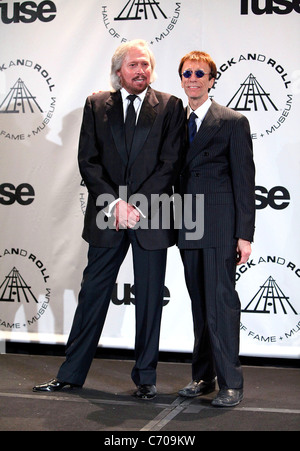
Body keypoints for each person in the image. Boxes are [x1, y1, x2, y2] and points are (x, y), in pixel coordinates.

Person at [33, 39, 185, 400]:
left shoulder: (170, 106)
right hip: (107, 215)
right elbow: (89, 161)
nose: (141, 70)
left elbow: (170, 163)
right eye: (133, 65)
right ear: (119, 72)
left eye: (146, 64)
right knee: (93, 295)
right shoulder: (96, 104)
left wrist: (136, 205)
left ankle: (145, 378)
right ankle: (71, 374)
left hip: (151, 217)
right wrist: (116, 204)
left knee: (150, 299)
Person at [176, 51, 255, 407]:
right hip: (187, 223)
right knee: (198, 304)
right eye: (187, 73)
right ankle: (203, 376)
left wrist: (245, 234)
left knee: (221, 303)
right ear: (181, 79)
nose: (193, 78)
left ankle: (231, 382)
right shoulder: (175, 121)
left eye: (200, 73)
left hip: (221, 226)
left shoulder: (232, 121)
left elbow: (245, 181)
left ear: (211, 79)